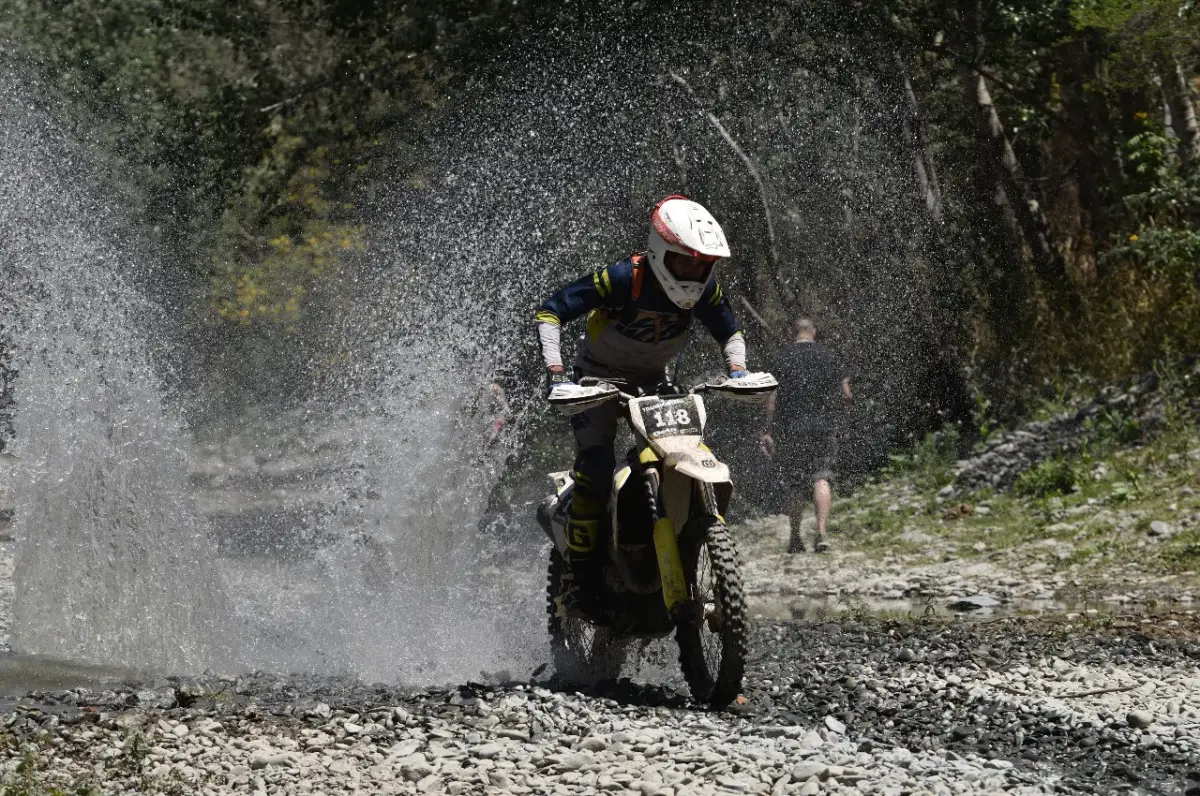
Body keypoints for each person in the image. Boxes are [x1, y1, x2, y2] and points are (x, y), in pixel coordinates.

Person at [534, 195, 749, 617]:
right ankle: (578, 577)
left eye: (703, 265)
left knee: (680, 454)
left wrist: (738, 372)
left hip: (654, 382)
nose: (695, 273)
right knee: (595, 467)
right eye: (687, 263)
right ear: (660, 250)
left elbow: (730, 332)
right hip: (594, 378)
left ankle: (662, 544)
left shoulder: (706, 288)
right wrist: (557, 372)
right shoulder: (621, 278)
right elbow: (551, 311)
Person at [758, 317, 851, 553]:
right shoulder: (829, 356)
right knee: (821, 478)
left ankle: (796, 539)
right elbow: (847, 395)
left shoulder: (781, 358)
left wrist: (768, 431)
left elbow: (771, 399)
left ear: (794, 332)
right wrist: (837, 419)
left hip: (790, 430)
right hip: (822, 427)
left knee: (796, 485)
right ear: (814, 332)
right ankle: (821, 533)